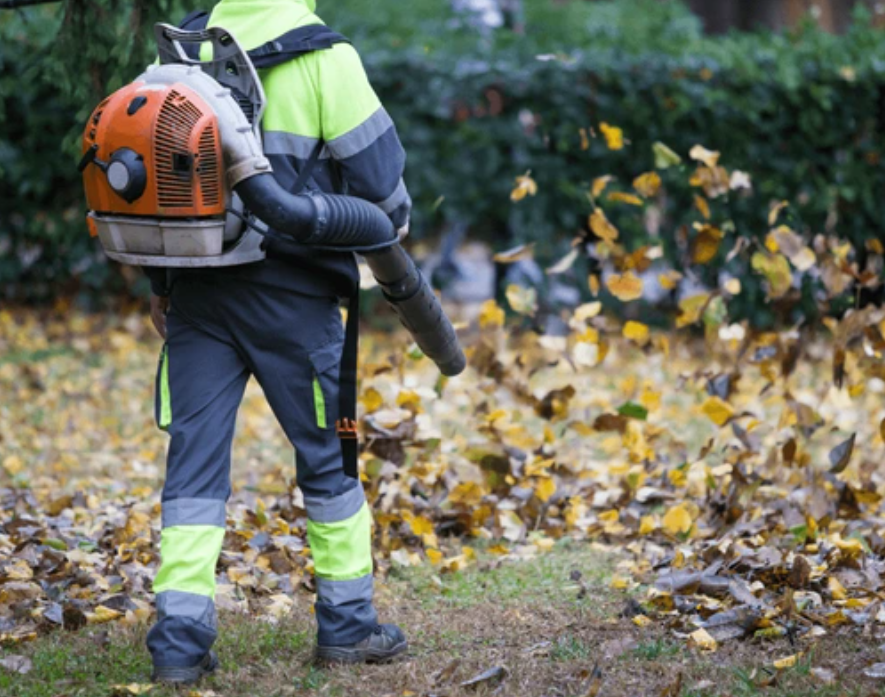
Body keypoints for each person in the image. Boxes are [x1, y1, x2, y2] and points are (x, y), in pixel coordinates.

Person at [145, 0, 412, 684]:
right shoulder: (327, 59)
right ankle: (348, 628)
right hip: (296, 297)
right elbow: (383, 191)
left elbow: (152, 174)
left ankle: (178, 642)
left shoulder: (181, 49)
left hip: (198, 293)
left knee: (193, 471)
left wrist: (160, 284)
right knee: (330, 457)